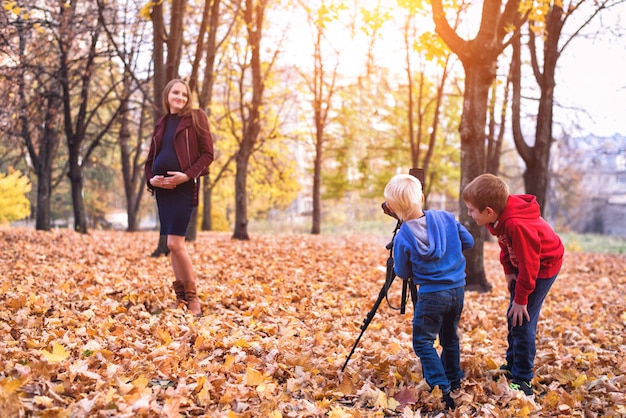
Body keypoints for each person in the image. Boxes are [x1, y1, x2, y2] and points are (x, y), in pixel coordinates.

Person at [462, 173, 564, 397]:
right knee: (513, 316)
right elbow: (505, 244)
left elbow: (530, 266)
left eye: (471, 210)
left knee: (522, 320)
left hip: (543, 266)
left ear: (488, 211)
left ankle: (522, 380)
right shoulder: (500, 218)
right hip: (526, 266)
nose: (468, 214)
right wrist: (509, 271)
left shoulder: (516, 224)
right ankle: (512, 365)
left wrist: (521, 300)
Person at [383, 174, 474, 410]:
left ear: (391, 208)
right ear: (422, 197)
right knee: (450, 336)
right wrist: (449, 252)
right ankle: (454, 379)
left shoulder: (404, 236)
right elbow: (469, 241)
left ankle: (440, 388)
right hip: (457, 289)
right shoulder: (445, 218)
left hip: (432, 295)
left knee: (423, 342)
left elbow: (402, 272)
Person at [144, 79, 214, 317]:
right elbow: (150, 160)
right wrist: (151, 180)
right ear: (167, 95)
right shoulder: (162, 123)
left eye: (184, 94)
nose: (180, 98)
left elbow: (207, 154)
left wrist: (186, 176)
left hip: (183, 189)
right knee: (173, 247)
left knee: (175, 244)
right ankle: (181, 300)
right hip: (163, 192)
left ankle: (194, 300)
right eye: (176, 93)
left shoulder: (196, 118)